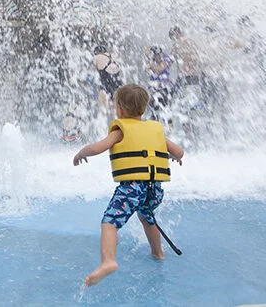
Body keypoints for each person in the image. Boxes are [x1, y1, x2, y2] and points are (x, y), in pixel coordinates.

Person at [73, 84, 184, 287]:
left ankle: (108, 261)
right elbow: (179, 152)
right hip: (154, 190)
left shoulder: (120, 130)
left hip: (131, 188)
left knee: (109, 222)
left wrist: (82, 153)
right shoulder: (155, 130)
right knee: (148, 219)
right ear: (143, 109)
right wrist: (168, 155)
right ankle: (158, 254)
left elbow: (98, 147)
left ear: (120, 110)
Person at [145, 45, 174, 121]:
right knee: (154, 111)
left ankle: (169, 129)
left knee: (167, 111)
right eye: (156, 55)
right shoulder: (151, 60)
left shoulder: (166, 58)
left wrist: (151, 64)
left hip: (165, 87)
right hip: (153, 88)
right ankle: (155, 126)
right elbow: (147, 70)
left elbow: (159, 69)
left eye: (159, 55)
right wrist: (149, 59)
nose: (158, 57)